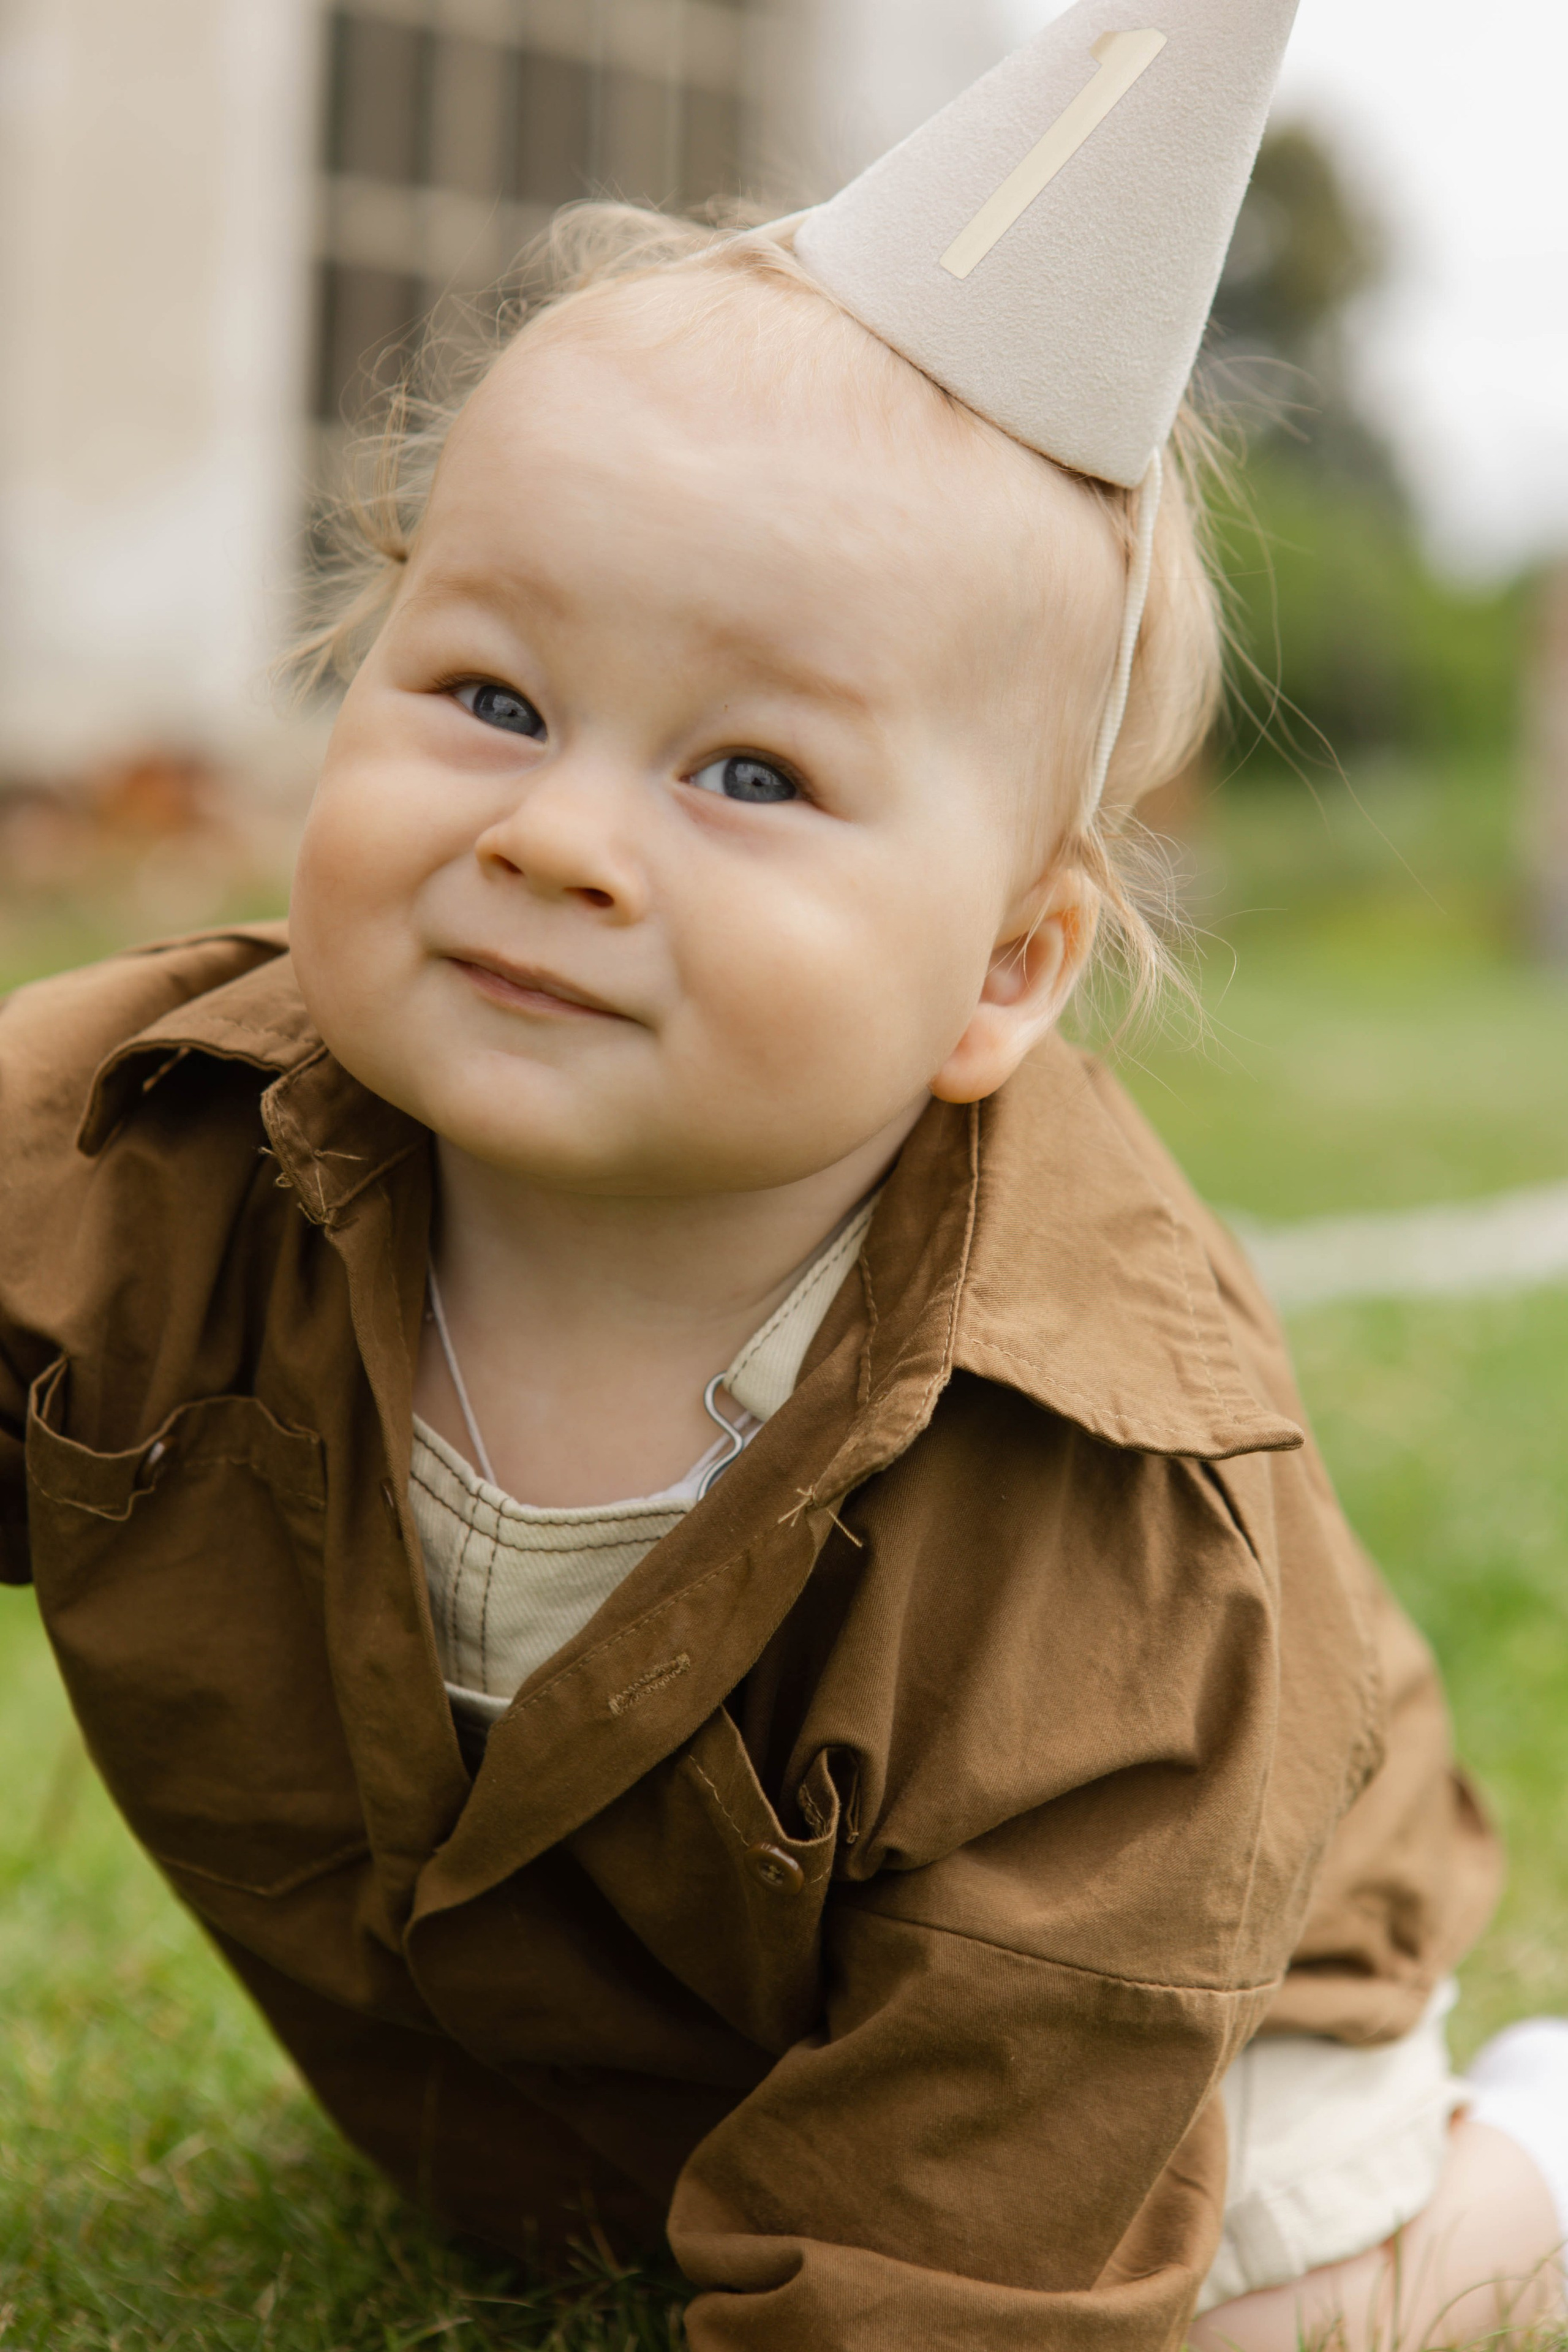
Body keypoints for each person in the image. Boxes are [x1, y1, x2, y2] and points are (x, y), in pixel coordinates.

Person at [2, 2, 1566, 2344]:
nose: (559, 838)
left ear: (1005, 975)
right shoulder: (140, 1144)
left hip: (1178, 2045)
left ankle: (1509, 2169)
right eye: (494, 700)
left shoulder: (1100, 1531)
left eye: (748, 776)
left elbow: (993, 2170)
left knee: (1259, 2303)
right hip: (619, 2064)